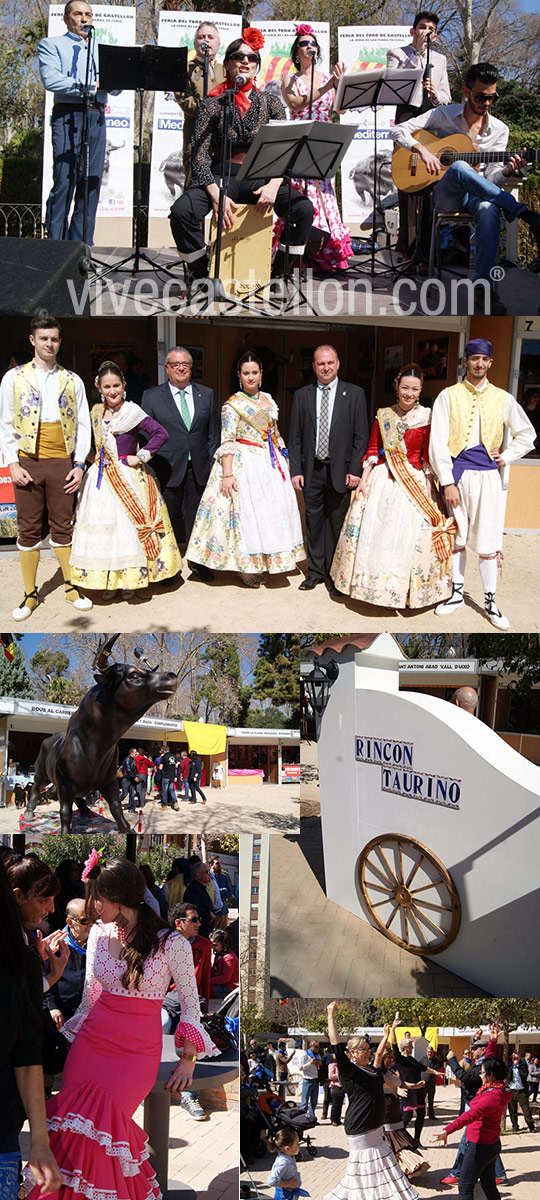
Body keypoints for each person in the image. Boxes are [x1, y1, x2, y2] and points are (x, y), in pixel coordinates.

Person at [25, 854, 217, 1200]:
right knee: (69, 1135)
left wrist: (188, 1059)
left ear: (121, 898)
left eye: (97, 896)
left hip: (135, 1055)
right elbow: (90, 996)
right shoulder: (98, 932)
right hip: (90, 1046)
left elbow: (192, 1006)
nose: (92, 905)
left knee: (101, 1139)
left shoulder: (171, 942)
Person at [169, 28, 314, 290]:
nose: (245, 61)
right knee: (182, 212)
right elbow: (199, 153)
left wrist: (274, 184)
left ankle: (279, 275)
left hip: (262, 176)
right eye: (238, 56)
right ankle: (201, 275)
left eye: (252, 58)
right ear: (227, 65)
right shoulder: (212, 103)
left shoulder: (271, 103)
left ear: (257, 67)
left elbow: (287, 149)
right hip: (222, 176)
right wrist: (214, 193)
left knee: (303, 209)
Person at [389, 62, 540, 312]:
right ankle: (524, 214)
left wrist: (507, 170)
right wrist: (421, 149)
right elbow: (398, 130)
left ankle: (483, 289)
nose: (486, 103)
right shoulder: (443, 115)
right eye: (481, 96)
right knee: (459, 167)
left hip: (477, 195)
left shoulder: (500, 130)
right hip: (446, 196)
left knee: (488, 208)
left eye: (492, 97)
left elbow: (491, 179)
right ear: (466, 92)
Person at [429, 338, 536, 628]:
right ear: (466, 362)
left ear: (490, 362)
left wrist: (507, 456)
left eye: (483, 359)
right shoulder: (448, 395)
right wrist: (447, 481)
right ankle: (456, 594)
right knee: (457, 539)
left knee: (487, 540)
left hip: (488, 476)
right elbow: (437, 443)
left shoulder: (503, 397)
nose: (478, 364)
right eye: (473, 358)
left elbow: (527, 434)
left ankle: (490, 601)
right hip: (458, 476)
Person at [330, 362, 454, 608]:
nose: (409, 393)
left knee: (408, 537)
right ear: (396, 387)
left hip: (415, 480)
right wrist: (364, 480)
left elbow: (428, 454)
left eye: (415, 389)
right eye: (405, 387)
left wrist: (429, 486)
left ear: (420, 391)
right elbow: (374, 449)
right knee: (375, 533)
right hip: (383, 479)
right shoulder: (383, 415)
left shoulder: (427, 417)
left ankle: (406, 592)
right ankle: (370, 588)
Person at [0, 315, 92, 621]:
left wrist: (79, 464)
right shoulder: (13, 378)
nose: (49, 344)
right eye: (43, 338)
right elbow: (5, 422)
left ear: (59, 342)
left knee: (63, 526)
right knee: (27, 529)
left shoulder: (73, 379)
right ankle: (29, 593)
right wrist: (12, 463)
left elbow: (82, 424)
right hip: (27, 460)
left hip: (61, 462)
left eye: (54, 339)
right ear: (32, 340)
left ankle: (70, 586)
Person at [186, 351, 304, 586]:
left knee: (270, 513)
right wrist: (227, 474)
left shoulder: (269, 399)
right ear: (239, 376)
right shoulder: (232, 405)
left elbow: (274, 432)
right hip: (246, 463)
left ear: (261, 374)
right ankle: (247, 566)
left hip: (270, 463)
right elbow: (227, 440)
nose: (250, 377)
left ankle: (268, 559)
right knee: (248, 516)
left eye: (254, 373)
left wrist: (284, 456)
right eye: (246, 373)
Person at [69, 359, 182, 600]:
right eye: (107, 386)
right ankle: (110, 580)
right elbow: (86, 441)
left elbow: (161, 434)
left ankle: (130, 580)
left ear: (124, 385)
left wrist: (140, 456)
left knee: (127, 530)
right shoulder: (95, 412)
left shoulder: (132, 411)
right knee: (106, 531)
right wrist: (91, 458)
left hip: (129, 478)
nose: (112, 391)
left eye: (117, 386)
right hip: (101, 481)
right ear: (98, 387)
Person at [2, 858, 62, 1199]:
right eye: (44, 899)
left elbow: (27, 1052)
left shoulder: (22, 958)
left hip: (3, 1129)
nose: (51, 908)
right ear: (16, 896)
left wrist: (39, 1141)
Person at [289, 345, 368, 591]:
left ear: (338, 364)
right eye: (320, 363)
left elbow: (360, 436)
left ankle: (334, 575)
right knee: (313, 522)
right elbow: (296, 437)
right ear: (313, 366)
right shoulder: (302, 395)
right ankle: (315, 571)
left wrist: (355, 469)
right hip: (311, 469)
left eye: (330, 363)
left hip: (340, 471)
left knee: (336, 523)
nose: (325, 367)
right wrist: (296, 470)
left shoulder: (354, 394)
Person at [324, 1003, 418, 1200]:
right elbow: (336, 1045)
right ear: (352, 1053)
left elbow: (378, 1056)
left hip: (376, 1127)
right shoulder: (348, 1070)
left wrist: (387, 1034)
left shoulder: (373, 1069)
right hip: (360, 1127)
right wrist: (330, 1014)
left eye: (367, 1049)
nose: (366, 1052)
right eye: (362, 1050)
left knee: (381, 1169)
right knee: (364, 1173)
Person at [277, 25, 352, 273]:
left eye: (312, 43)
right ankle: (298, 251)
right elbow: (295, 102)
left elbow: (340, 110)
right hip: (299, 140)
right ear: (296, 52)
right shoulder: (291, 78)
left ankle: (325, 251)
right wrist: (329, 85)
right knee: (301, 194)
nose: (309, 46)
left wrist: (341, 85)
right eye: (303, 43)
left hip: (323, 140)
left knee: (325, 192)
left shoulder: (326, 78)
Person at [141, 347, 219, 581]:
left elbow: (213, 433)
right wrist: (151, 467)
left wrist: (210, 458)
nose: (181, 368)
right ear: (167, 369)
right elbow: (145, 435)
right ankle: (169, 569)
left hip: (199, 468)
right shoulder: (152, 396)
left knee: (198, 518)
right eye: (175, 364)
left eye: (185, 363)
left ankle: (198, 563)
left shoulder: (206, 394)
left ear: (191, 367)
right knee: (170, 518)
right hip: (167, 467)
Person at [37, 2, 110, 243]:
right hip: (67, 115)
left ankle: (81, 248)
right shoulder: (52, 44)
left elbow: (115, 87)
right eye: (78, 14)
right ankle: (56, 248)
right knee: (65, 180)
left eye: (88, 14)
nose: (84, 18)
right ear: (66, 18)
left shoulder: (100, 48)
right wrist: (89, 87)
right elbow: (52, 80)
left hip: (96, 117)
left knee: (90, 184)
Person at [387, 13, 451, 261]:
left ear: (435, 34)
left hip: (431, 121)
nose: (426, 31)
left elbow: (446, 96)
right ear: (412, 31)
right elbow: (393, 85)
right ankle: (406, 248)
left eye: (430, 28)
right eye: (421, 27)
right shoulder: (398, 54)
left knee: (429, 185)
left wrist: (436, 95)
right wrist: (416, 60)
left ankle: (424, 253)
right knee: (407, 184)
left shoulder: (441, 59)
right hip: (407, 117)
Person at [431, 1056, 511, 1200]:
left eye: (482, 1072)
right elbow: (491, 1061)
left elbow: (469, 1116)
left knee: (465, 1187)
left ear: (491, 1075)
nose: (480, 1074)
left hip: (479, 1147)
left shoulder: (491, 1097)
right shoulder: (498, 1089)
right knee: (488, 1184)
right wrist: (492, 1042)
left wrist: (447, 1130)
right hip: (491, 1145)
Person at [174, 22, 226, 190]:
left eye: (211, 37)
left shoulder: (226, 69)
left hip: (223, 136)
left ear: (218, 43)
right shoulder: (185, 69)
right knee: (193, 188)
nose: (206, 40)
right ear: (195, 42)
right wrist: (213, 107)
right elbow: (187, 104)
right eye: (201, 37)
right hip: (195, 133)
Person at [381, 1033, 429, 1179]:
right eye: (387, 1058)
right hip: (386, 1109)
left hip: (395, 1109)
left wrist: (415, 1086)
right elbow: (385, 1082)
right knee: (391, 1140)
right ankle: (396, 1169)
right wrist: (390, 1032)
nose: (390, 1060)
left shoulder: (392, 1071)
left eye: (391, 1058)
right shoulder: (378, 1073)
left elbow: (401, 1083)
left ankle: (402, 1167)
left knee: (398, 1137)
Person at [46, 897, 92, 1025]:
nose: (90, 924)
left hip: (85, 1016)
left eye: (93, 919)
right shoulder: (55, 945)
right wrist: (52, 1007)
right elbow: (43, 979)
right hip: (59, 1015)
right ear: (70, 922)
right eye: (84, 920)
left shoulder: (97, 945)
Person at [390, 1025, 434, 1149]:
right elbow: (394, 1045)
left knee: (420, 1116)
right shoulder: (399, 1059)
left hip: (419, 1091)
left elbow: (423, 1068)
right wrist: (392, 1030)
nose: (412, 1047)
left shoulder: (413, 1059)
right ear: (405, 1047)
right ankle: (398, 1139)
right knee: (407, 1117)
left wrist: (435, 1072)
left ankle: (417, 1141)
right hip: (408, 1091)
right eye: (411, 1046)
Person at [267, 1129, 304, 1199]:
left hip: (291, 1194)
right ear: (287, 1148)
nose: (299, 1145)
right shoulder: (283, 1163)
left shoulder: (288, 1157)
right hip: (285, 1196)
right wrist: (288, 1184)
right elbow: (271, 1181)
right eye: (297, 1143)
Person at [183, 862, 216, 938]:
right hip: (199, 933)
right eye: (207, 872)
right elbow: (194, 910)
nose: (210, 874)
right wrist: (208, 915)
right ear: (198, 876)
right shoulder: (193, 891)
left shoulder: (201, 889)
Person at [507, 1050, 535, 1132]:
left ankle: (531, 1126)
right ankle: (515, 1126)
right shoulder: (509, 1066)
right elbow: (508, 1077)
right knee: (512, 1109)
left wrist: (518, 1066)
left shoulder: (523, 1065)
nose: (515, 1058)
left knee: (526, 1109)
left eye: (517, 1056)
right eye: (514, 1057)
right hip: (512, 1090)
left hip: (521, 1090)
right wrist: (512, 1068)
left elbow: (525, 1075)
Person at [209, 929, 239, 997]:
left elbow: (225, 978)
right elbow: (214, 971)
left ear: (224, 944)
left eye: (215, 945)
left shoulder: (229, 958)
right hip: (220, 984)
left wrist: (208, 980)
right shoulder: (219, 955)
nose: (213, 947)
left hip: (228, 988)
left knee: (204, 990)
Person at [160, 743, 180, 811]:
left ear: (164, 750)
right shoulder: (174, 756)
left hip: (166, 775)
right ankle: (175, 803)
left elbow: (160, 767)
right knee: (171, 789)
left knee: (165, 790)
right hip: (172, 775)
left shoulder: (163, 757)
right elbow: (175, 766)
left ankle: (165, 805)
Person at [120, 748, 140, 813]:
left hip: (131, 779)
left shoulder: (132, 759)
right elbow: (128, 770)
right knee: (124, 793)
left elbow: (133, 770)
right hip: (126, 779)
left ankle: (131, 808)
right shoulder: (127, 759)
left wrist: (136, 776)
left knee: (132, 794)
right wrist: (134, 777)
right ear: (131, 753)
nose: (136, 753)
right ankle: (116, 803)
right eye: (135, 752)